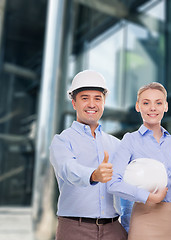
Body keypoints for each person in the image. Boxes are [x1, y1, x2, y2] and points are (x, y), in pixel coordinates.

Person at [107, 82, 171, 240]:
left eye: (158, 103)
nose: (153, 108)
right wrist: (147, 196)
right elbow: (112, 183)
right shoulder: (130, 141)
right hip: (144, 217)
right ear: (138, 106)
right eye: (146, 103)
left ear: (166, 106)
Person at [50, 70, 127, 240]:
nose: (92, 104)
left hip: (113, 229)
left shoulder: (116, 144)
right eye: (85, 98)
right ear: (74, 103)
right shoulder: (62, 141)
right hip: (75, 229)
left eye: (97, 98)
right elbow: (68, 169)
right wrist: (94, 175)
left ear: (104, 102)